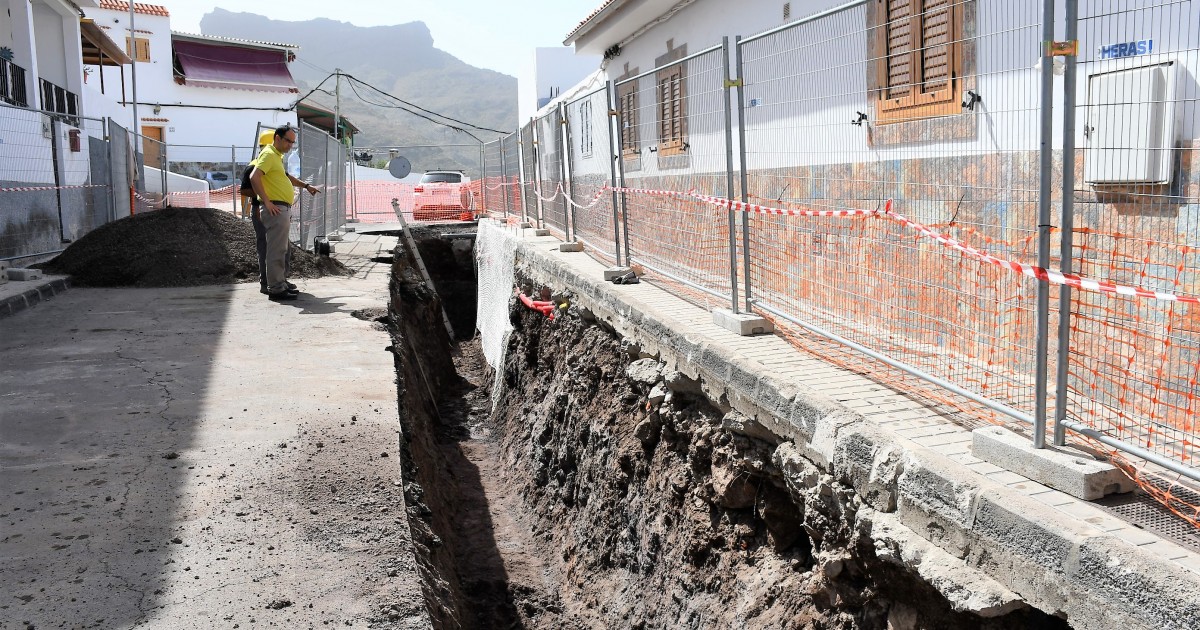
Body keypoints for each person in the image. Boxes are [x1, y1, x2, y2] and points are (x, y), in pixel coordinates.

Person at [249, 125, 320, 301]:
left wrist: (306, 186)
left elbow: (286, 177)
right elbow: (254, 177)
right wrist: (266, 201)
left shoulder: (276, 157)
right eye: (288, 141)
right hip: (276, 209)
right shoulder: (269, 154)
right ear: (277, 138)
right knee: (276, 250)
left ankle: (279, 284)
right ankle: (276, 289)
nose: (290, 145)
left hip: (281, 209)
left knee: (281, 250)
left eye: (293, 142)